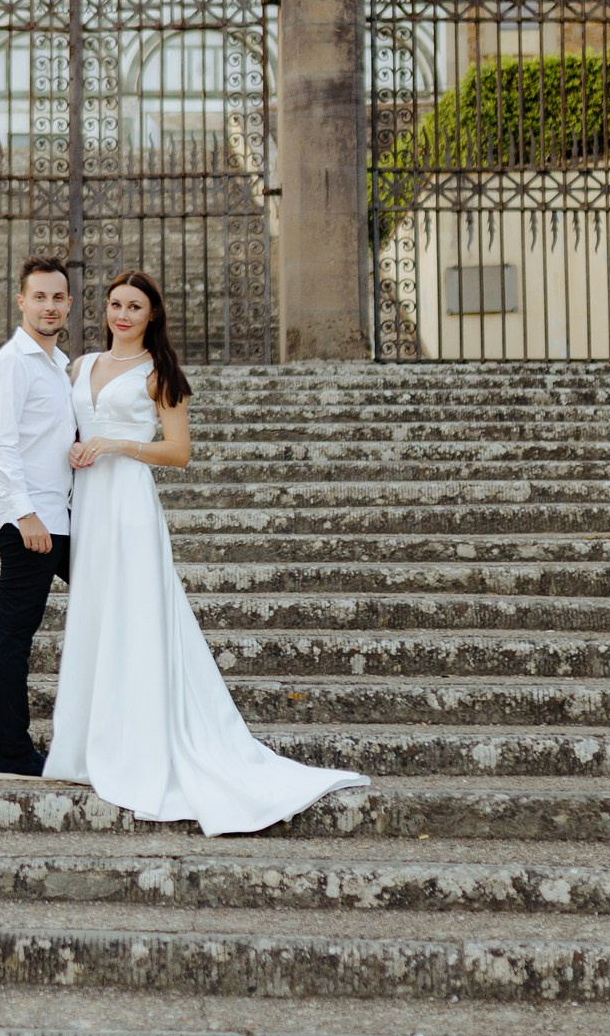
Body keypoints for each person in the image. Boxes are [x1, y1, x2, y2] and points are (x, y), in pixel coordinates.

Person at [45, 270, 369, 834]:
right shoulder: (81, 366)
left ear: (151, 314)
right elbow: (66, 428)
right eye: (116, 304)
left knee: (136, 619)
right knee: (95, 616)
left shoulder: (160, 373)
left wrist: (116, 444)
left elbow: (179, 452)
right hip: (88, 504)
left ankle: (140, 748)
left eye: (135, 306)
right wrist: (75, 449)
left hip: (129, 504)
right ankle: (84, 747)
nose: (122, 314)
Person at [0, 255, 77, 780]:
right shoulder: (11, 364)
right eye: (39, 297)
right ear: (21, 301)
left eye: (57, 297)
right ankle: (13, 753)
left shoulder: (60, 365)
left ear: (69, 304)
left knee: (112, 603)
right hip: (29, 522)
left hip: (60, 517)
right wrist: (26, 515)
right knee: (16, 636)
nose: (48, 306)